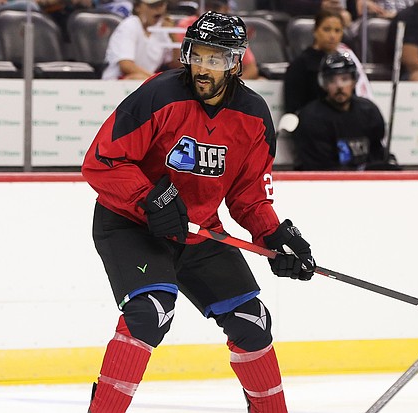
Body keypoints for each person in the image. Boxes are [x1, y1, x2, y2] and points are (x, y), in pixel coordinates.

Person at [81, 11, 316, 413]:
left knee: (252, 322)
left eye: (216, 59)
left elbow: (249, 196)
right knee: (150, 313)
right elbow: (102, 161)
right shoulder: (160, 95)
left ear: (236, 61)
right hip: (132, 224)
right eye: (197, 55)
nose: (203, 68)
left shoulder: (255, 116)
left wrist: (275, 237)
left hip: (198, 231)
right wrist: (149, 198)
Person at [293, 52, 388, 170]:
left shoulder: (369, 111)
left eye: (345, 79)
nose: (339, 86)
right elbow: (320, 168)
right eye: (332, 80)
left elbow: (377, 152)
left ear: (354, 81)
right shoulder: (311, 118)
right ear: (324, 84)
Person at [283, 8, 372, 116]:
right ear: (315, 31)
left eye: (337, 30)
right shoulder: (300, 65)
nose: (332, 36)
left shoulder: (346, 63)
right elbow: (293, 109)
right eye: (327, 29)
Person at [176, 0, 260, 79]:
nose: (210, 11)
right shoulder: (189, 25)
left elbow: (251, 69)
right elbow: (179, 64)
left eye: (215, 7)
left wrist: (227, 87)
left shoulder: (231, 30)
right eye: (206, 6)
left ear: (226, 8)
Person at [102, 0, 180, 80]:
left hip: (146, 80)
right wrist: (156, 80)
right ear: (138, 7)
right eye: (153, 6)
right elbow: (126, 65)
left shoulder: (161, 29)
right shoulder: (130, 24)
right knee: (136, 77)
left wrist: (173, 36)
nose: (158, 9)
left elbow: (177, 65)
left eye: (162, 4)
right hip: (116, 81)